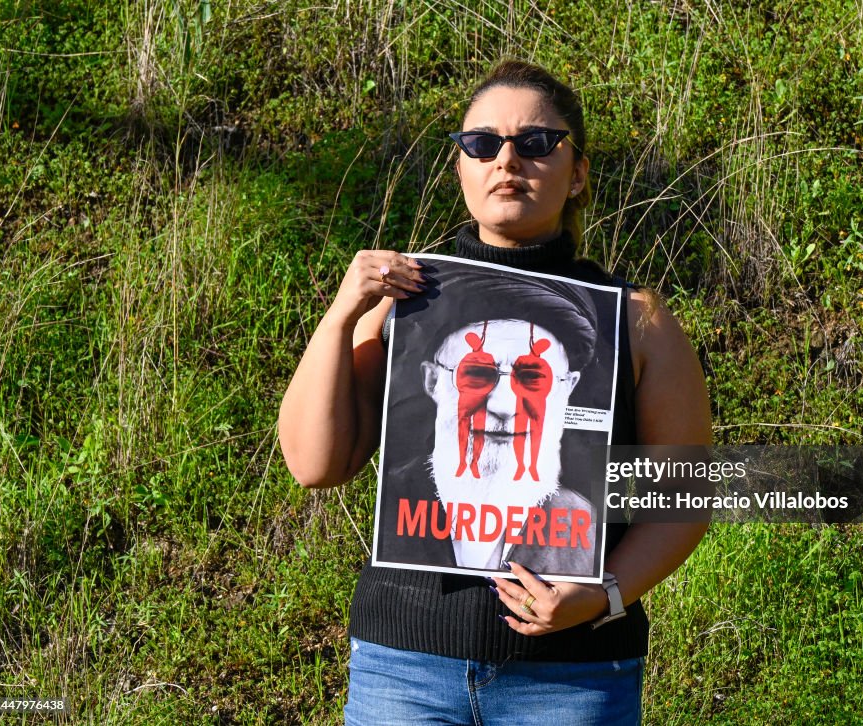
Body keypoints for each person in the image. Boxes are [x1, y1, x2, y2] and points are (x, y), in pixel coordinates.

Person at [278, 59, 712, 725]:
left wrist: (603, 597)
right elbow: (314, 464)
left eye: (537, 143)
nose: (508, 159)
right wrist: (342, 314)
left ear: (579, 174)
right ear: (460, 169)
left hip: (574, 681)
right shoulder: (399, 303)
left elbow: (682, 501)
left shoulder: (638, 322)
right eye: (482, 143)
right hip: (405, 667)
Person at [374, 264, 612, 576]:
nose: (503, 405)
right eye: (475, 373)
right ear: (433, 381)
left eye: (532, 378)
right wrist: (343, 316)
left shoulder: (582, 520)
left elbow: (685, 500)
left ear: (566, 387)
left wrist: (610, 598)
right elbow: (312, 470)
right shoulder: (392, 501)